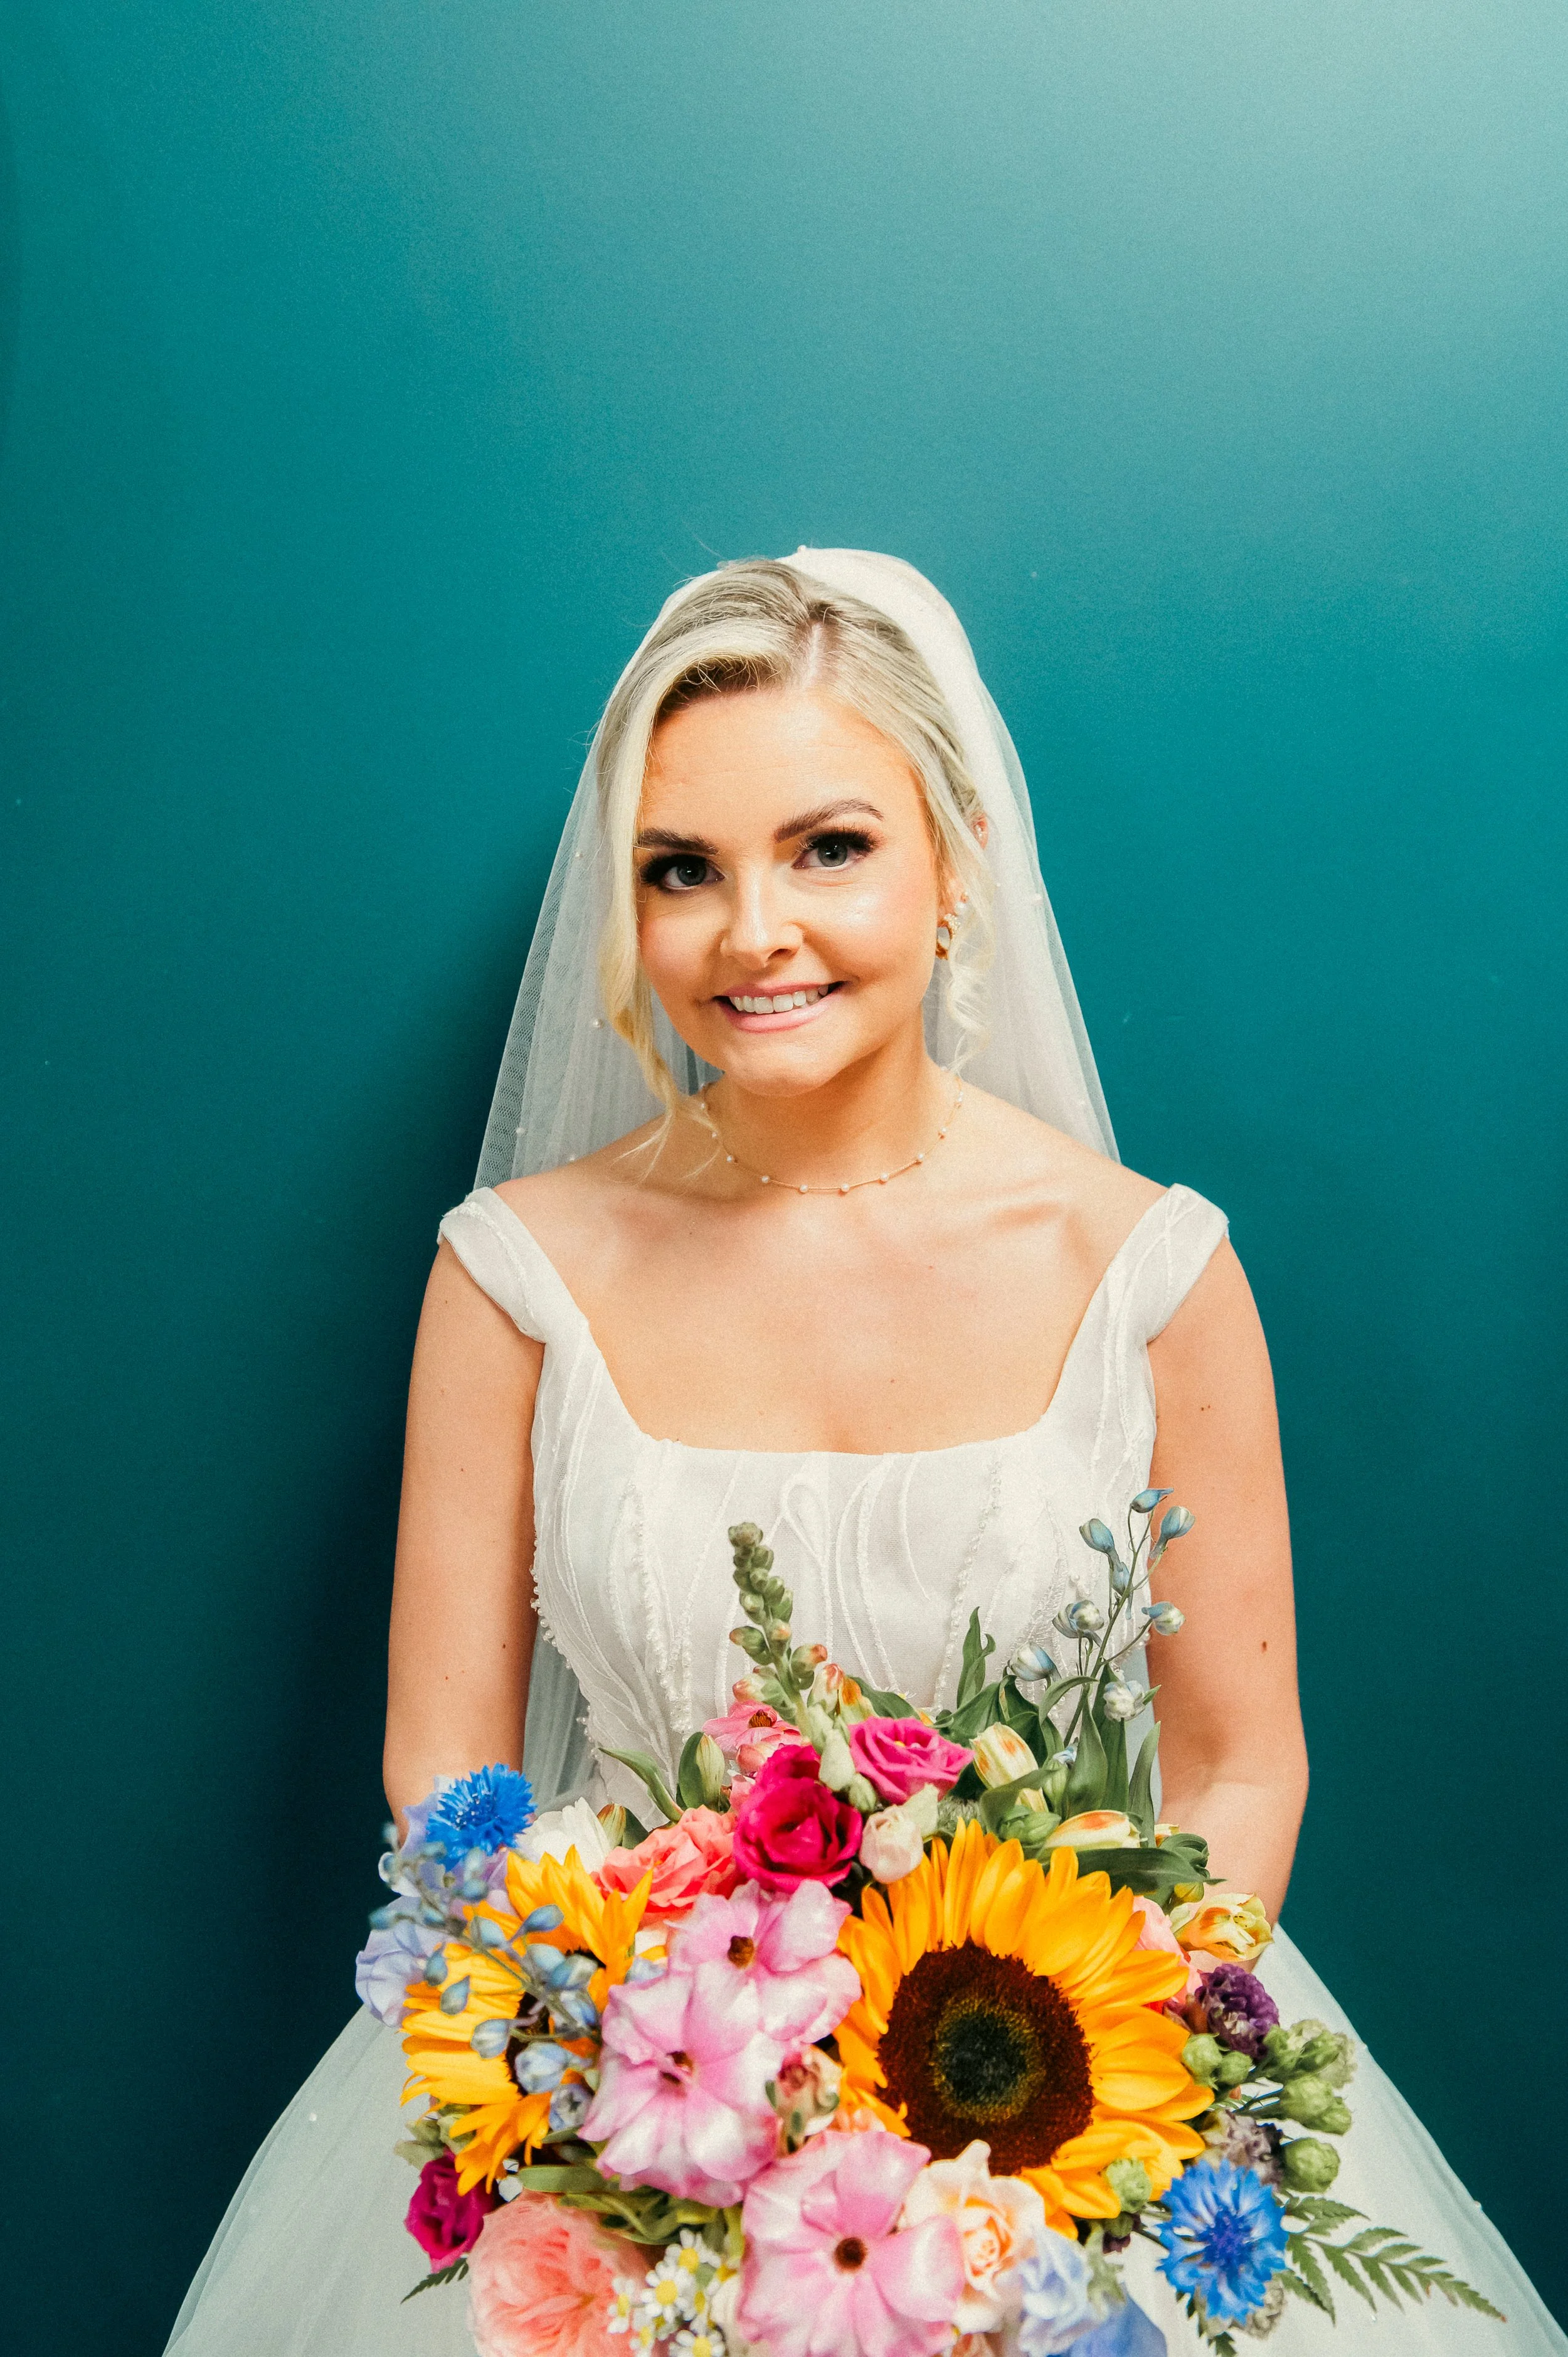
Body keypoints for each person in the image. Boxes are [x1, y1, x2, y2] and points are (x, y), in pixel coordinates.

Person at [166, 553, 1564, 2354]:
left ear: (954, 853)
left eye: (826, 846)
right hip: (620, 2120)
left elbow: (1234, 1768)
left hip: (1061, 2118)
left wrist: (1042, 2136)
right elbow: (445, 1764)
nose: (753, 931)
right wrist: (656, 2115)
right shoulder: (510, 1272)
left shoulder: (1151, 1277)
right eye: (681, 870)